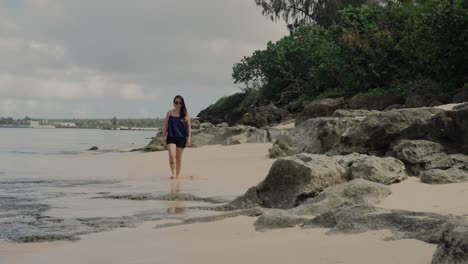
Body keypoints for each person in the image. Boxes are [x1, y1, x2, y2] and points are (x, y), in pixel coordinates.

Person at [161, 95, 191, 180]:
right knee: (171, 155)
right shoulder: (169, 113)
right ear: (174, 103)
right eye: (176, 102)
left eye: (180, 103)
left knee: (178, 158)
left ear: (182, 104)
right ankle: (173, 174)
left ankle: (177, 175)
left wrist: (189, 138)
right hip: (171, 137)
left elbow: (189, 127)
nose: (178, 104)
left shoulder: (185, 114)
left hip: (181, 138)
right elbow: (166, 125)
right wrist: (163, 137)